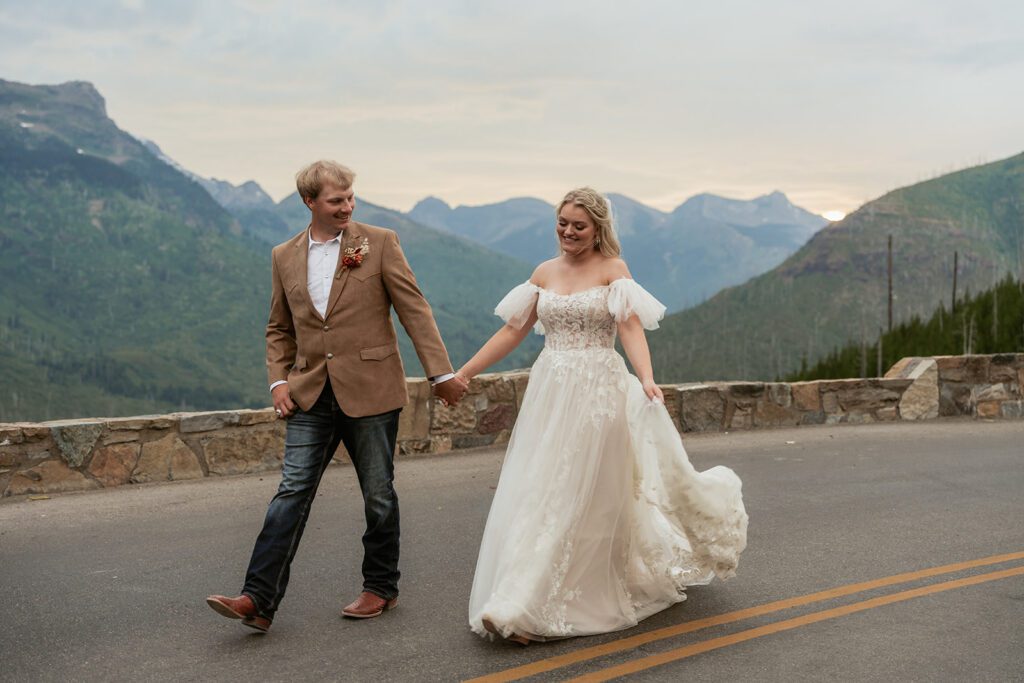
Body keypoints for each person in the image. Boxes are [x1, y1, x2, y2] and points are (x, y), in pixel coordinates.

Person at [461, 187, 748, 643]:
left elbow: (630, 328)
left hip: (600, 390)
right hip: (551, 392)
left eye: (579, 226)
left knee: (580, 494)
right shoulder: (543, 272)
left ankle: (521, 605)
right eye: (563, 223)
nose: (568, 233)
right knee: (541, 490)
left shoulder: (614, 270)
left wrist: (647, 378)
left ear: (598, 230)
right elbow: (512, 331)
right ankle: (517, 596)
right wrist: (466, 373)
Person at [207, 160, 467, 632]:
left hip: (371, 389)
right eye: (336, 201)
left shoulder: (380, 243)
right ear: (310, 202)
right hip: (309, 394)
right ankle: (257, 601)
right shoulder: (283, 255)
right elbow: (278, 327)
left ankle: (380, 587)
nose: (347, 207)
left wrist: (440, 374)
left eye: (350, 198)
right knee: (291, 493)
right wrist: (278, 381)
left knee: (378, 495)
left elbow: (415, 311)